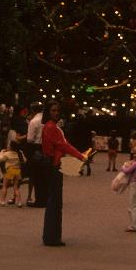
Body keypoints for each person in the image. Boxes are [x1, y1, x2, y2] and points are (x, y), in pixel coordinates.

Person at [41, 100, 91, 246]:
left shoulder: (49, 126)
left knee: (53, 201)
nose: (56, 113)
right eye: (53, 110)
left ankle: (50, 236)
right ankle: (52, 237)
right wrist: (81, 156)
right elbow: (64, 146)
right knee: (55, 203)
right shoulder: (52, 128)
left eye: (57, 110)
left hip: (52, 165)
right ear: (48, 112)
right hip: (55, 166)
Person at [25, 103, 46, 207]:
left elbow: (29, 139)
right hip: (46, 148)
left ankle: (35, 198)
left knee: (34, 175)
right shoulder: (46, 120)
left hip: (36, 149)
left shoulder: (34, 121)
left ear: (33, 111)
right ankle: (45, 197)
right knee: (45, 175)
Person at [0, 141, 25, 206]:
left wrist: (2, 152)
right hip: (17, 171)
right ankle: (19, 202)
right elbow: (24, 160)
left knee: (5, 186)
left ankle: (3, 201)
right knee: (16, 187)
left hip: (10, 170)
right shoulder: (19, 153)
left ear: (11, 146)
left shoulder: (8, 153)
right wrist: (22, 153)